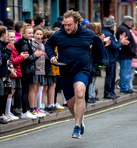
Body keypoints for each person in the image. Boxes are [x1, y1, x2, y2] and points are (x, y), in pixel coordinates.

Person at [45, 10, 108, 139]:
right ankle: (80, 120)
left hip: (82, 70)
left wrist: (101, 62)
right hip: (65, 71)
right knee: (71, 104)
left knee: (80, 93)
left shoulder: (88, 34)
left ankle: (77, 127)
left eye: (69, 25)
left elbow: (99, 46)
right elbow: (48, 45)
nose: (66, 27)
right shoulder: (58, 34)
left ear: (77, 23)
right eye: (65, 24)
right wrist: (51, 56)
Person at [102, 18, 129, 99]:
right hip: (110, 58)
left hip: (111, 58)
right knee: (110, 77)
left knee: (112, 77)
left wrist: (120, 40)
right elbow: (115, 46)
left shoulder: (108, 33)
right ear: (111, 26)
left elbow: (115, 44)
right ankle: (107, 93)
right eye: (113, 25)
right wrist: (121, 42)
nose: (114, 26)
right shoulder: (108, 34)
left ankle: (111, 92)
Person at [116, 16, 136, 94]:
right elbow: (127, 42)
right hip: (126, 55)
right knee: (125, 72)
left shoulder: (123, 28)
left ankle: (125, 87)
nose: (131, 24)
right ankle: (124, 88)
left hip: (124, 55)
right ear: (127, 22)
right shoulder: (124, 29)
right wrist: (132, 51)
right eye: (131, 22)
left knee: (125, 72)